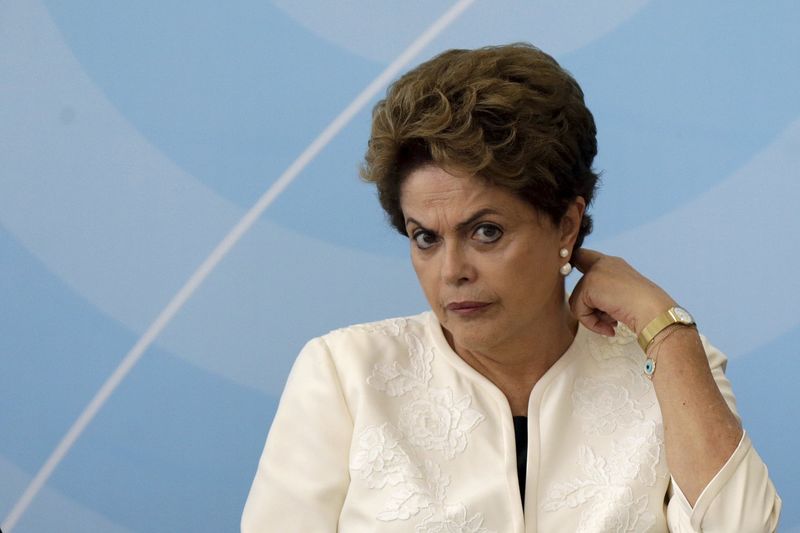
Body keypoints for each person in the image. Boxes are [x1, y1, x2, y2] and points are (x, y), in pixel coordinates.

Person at [241, 43, 781, 532]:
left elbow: (745, 528)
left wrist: (663, 325)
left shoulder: (672, 368)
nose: (452, 270)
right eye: (425, 238)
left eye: (486, 232)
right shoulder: (345, 373)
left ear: (566, 225)